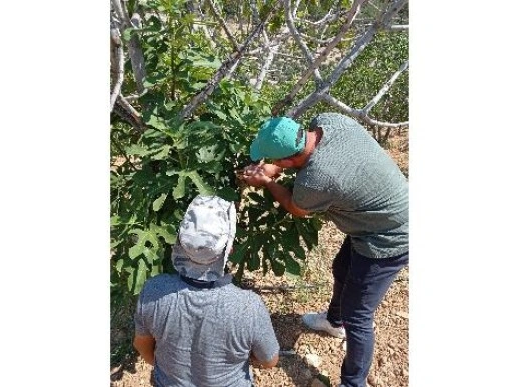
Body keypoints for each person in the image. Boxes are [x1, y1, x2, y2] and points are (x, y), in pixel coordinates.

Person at [241, 113, 408, 387]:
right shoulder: (331, 120)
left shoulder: (316, 181)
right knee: (342, 268)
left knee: (359, 315)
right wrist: (277, 168)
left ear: (285, 161)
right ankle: (334, 321)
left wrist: (269, 181)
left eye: (273, 160)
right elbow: (302, 162)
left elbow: (296, 207)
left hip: (389, 237)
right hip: (382, 212)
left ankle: (354, 382)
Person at [133, 195, 280, 387]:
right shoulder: (248, 307)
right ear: (229, 248)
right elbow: (269, 361)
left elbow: (142, 346)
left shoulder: (154, 291)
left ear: (180, 241)